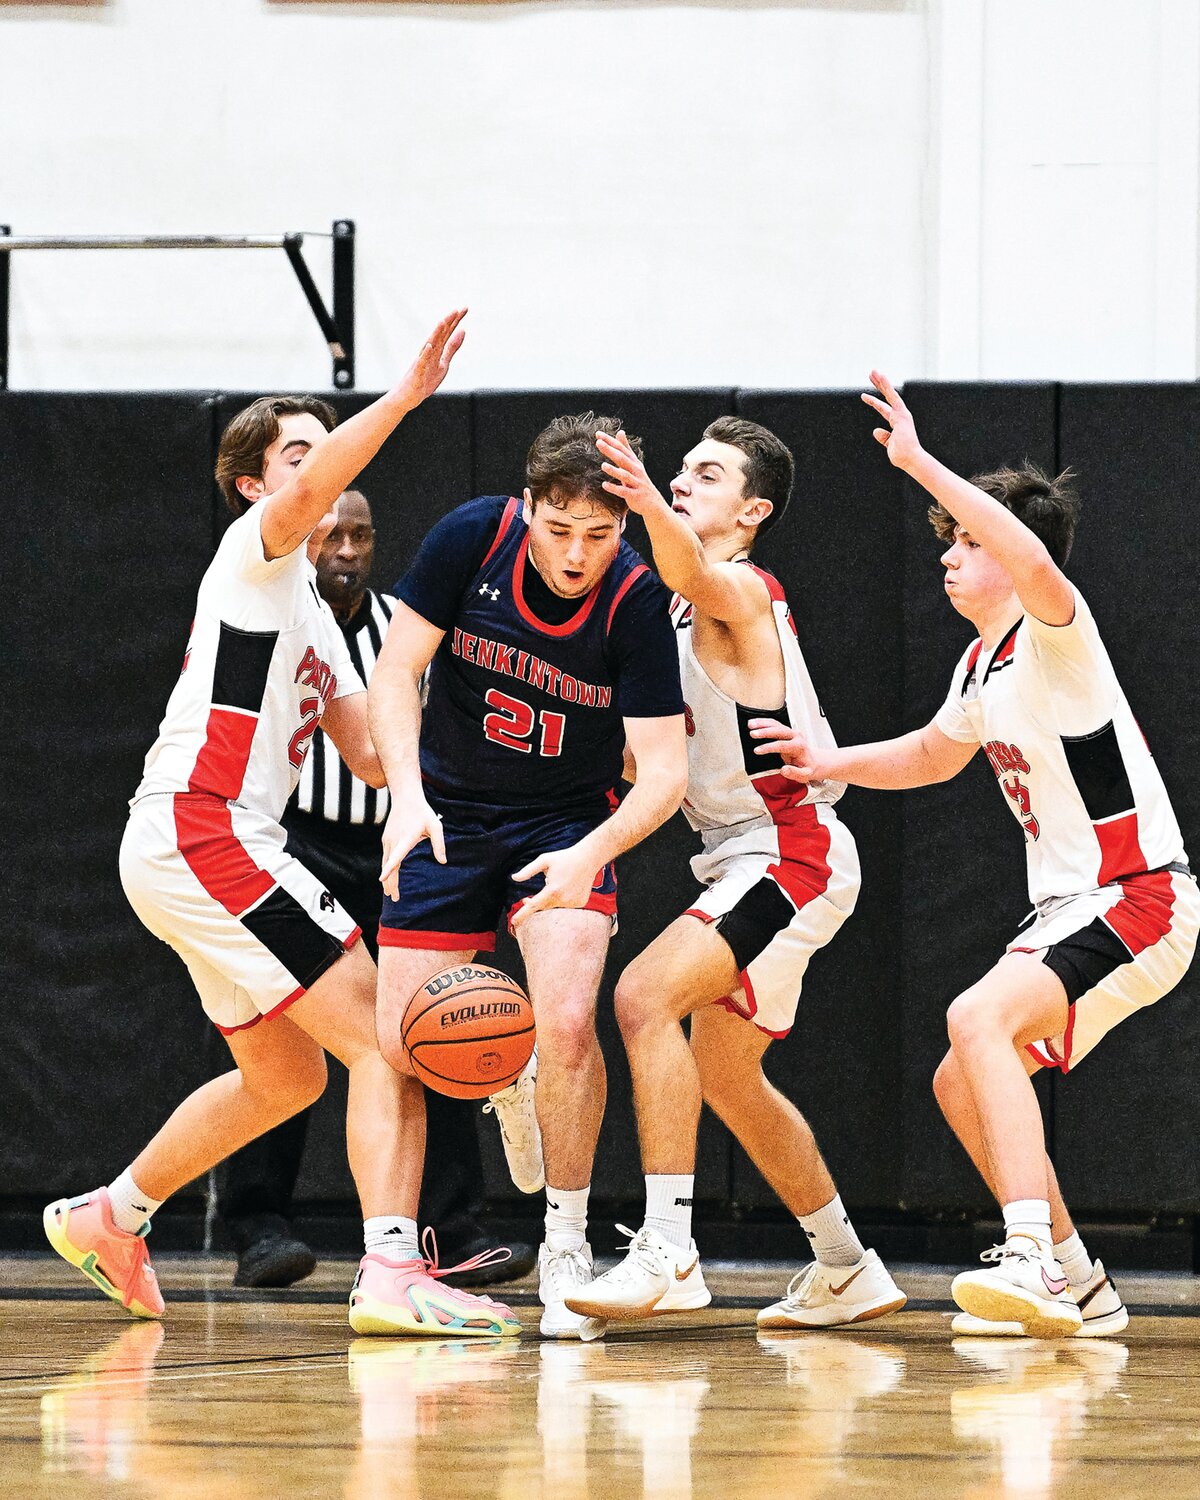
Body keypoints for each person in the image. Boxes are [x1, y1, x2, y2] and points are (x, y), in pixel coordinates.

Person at [44, 311, 521, 1339]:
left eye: (323, 442)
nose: (317, 470)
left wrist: (479, 790)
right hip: (203, 830)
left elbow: (367, 753)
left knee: (288, 1072)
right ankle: (393, 1270)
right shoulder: (251, 558)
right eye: (297, 453)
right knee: (387, 1041)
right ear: (254, 484)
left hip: (202, 846)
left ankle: (108, 1216)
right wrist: (398, 401)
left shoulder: (316, 608)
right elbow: (312, 494)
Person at [750, 372, 1198, 1338]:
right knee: (961, 1075)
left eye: (964, 540)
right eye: (949, 540)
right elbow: (928, 754)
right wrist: (828, 760)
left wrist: (918, 462)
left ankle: (1030, 1254)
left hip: (1140, 895)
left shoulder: (1054, 632)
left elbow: (1031, 555)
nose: (949, 555)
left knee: (974, 1015)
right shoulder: (978, 663)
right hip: (1077, 910)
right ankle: (1081, 1280)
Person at [559, 419, 906, 1330]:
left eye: (704, 475)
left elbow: (689, 572)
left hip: (790, 848)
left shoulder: (739, 589)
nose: (680, 480)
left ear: (753, 510)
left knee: (642, 997)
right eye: (678, 469)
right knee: (728, 1076)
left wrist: (633, 491)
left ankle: (668, 1248)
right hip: (739, 854)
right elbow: (649, 762)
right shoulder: (669, 609)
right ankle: (846, 1266)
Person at [367, 413, 689, 1339]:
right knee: (403, 1042)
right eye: (561, 531)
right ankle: (506, 1075)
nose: (579, 554)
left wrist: (591, 851)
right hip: (448, 812)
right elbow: (396, 674)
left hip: (565, 821)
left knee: (569, 1021)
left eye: (600, 534)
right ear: (528, 505)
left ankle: (567, 1242)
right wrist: (406, 795)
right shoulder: (472, 535)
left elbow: (663, 773)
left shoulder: (633, 597)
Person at [217, 488, 535, 1290]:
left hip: (401, 843)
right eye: (333, 532)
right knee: (289, 1043)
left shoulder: (407, 621)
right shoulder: (272, 613)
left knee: (437, 1026)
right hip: (303, 844)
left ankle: (450, 1229)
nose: (348, 549)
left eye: (362, 533)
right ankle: (260, 1225)